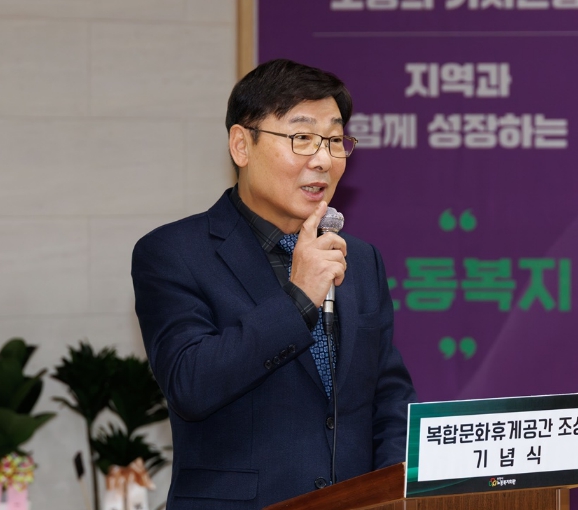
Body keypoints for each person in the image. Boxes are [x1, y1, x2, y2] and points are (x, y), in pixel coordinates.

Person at [132, 58, 417, 509]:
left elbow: (390, 399)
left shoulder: (360, 259)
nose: (323, 159)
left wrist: (391, 496)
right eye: (302, 138)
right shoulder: (174, 253)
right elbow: (190, 385)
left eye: (335, 140)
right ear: (241, 145)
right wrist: (298, 298)